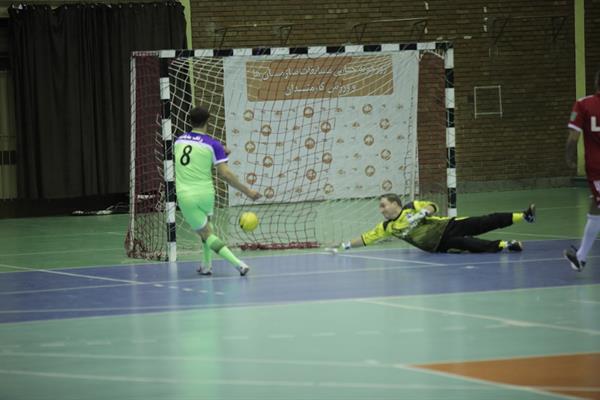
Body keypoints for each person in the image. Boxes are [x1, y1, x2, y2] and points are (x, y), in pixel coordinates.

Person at [174, 106, 261, 276]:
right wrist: (248, 191)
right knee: (207, 229)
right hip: (206, 194)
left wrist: (220, 151)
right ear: (208, 121)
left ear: (189, 121)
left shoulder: (178, 141)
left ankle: (239, 264)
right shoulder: (214, 145)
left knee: (206, 233)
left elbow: (193, 155)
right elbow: (226, 174)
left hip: (187, 195)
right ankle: (206, 265)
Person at [329, 193, 535, 254]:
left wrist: (421, 214)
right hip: (437, 245)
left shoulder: (411, 207)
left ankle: (524, 216)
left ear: (395, 204)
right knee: (469, 244)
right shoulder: (386, 228)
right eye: (380, 207)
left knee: (484, 221)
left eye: (383, 205)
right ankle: (507, 245)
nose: (381, 209)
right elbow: (366, 238)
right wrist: (344, 245)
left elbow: (432, 206)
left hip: (447, 226)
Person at [564, 69, 600, 272]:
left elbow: (573, 137)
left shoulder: (583, 104)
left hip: (597, 169)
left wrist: (569, 156)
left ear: (596, 82)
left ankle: (581, 258)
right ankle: (581, 257)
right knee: (596, 207)